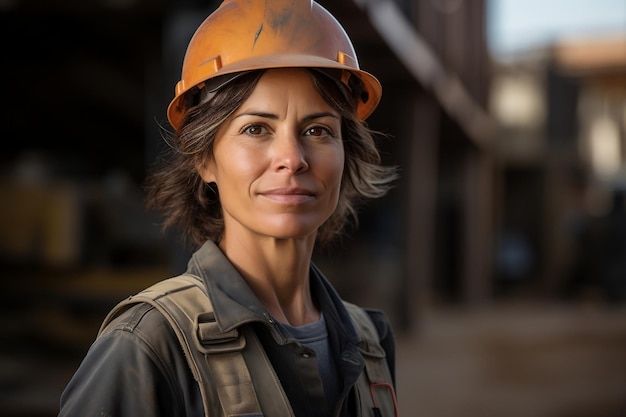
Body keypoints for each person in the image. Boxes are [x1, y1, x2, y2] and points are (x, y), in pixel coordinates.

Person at [58, 0, 399, 416]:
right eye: (256, 128)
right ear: (205, 159)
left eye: (318, 129)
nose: (292, 158)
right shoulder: (147, 346)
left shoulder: (370, 344)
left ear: (347, 153)